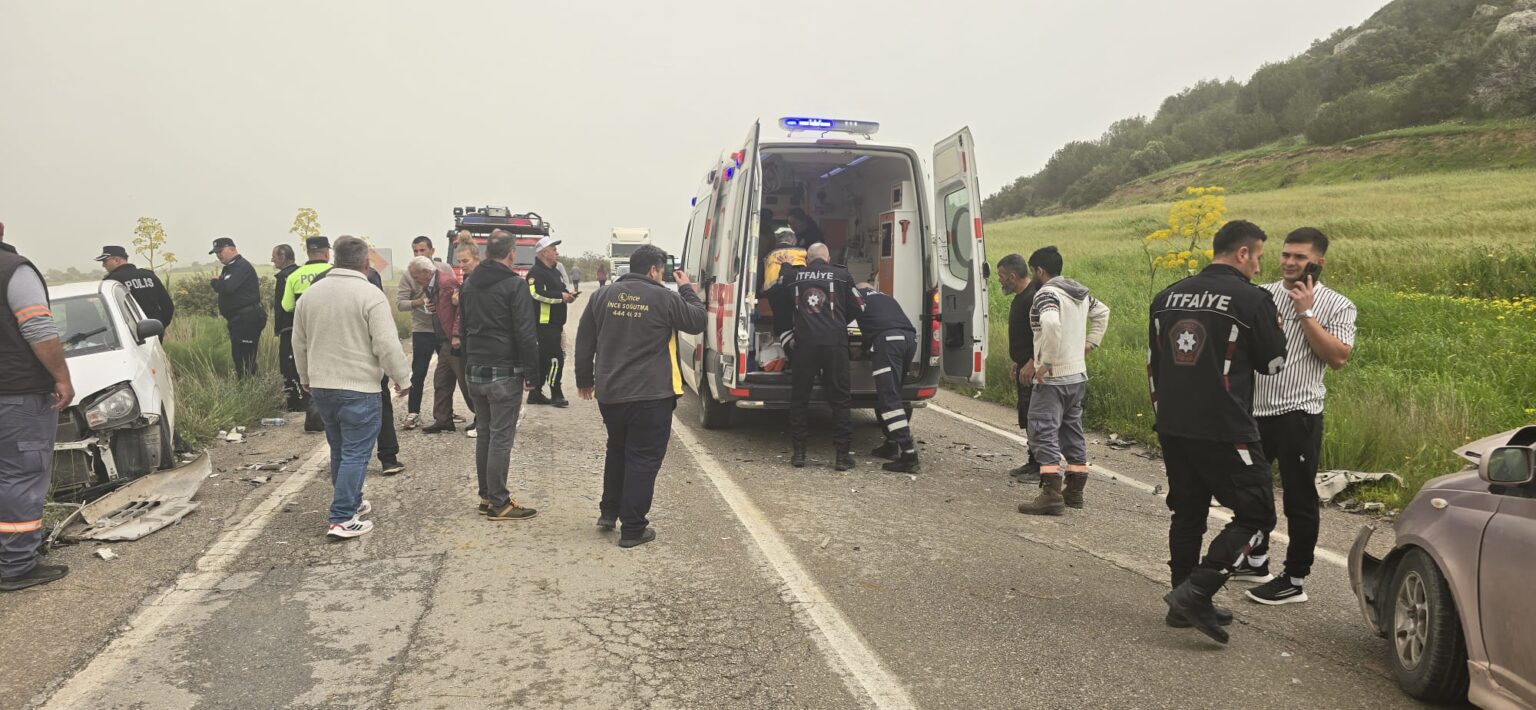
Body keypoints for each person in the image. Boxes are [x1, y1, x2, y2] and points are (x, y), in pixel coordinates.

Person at [1150, 220, 1288, 643]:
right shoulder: (1253, 299)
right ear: (1243, 253)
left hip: (1173, 423)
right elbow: (1273, 364)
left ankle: (1182, 600)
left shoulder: (1166, 296)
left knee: (1187, 511)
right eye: (1258, 257)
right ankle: (1196, 591)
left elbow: (1156, 359)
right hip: (1226, 426)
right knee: (1257, 513)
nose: (1259, 267)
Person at [1236, 228, 1356, 606]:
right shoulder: (1262, 295)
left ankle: (1294, 579)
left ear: (1318, 262)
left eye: (1300, 257)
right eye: (1286, 255)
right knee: (1248, 491)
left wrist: (1305, 312)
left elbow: (1337, 358)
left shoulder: (1338, 304)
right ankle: (1256, 560)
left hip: (1298, 414)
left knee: (1298, 499)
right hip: (1254, 412)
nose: (1289, 262)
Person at [575, 244, 705, 548]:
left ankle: (609, 512)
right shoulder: (664, 298)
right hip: (650, 395)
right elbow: (697, 320)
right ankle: (633, 528)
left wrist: (584, 380)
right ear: (654, 270)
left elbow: (585, 341)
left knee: (617, 449)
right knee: (643, 458)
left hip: (611, 394)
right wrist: (687, 289)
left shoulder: (602, 296)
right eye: (661, 271)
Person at [292, 236, 411, 540]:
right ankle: (343, 517)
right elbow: (386, 343)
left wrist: (304, 376)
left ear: (334, 259)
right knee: (356, 452)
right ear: (365, 263)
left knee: (340, 448)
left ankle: (353, 502)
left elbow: (299, 341)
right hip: (359, 387)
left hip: (322, 386)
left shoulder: (311, 295)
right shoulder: (370, 294)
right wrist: (402, 377)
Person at [0, 226, 75, 592]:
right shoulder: (13, 269)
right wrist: (61, 376)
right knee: (20, 476)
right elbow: (38, 328)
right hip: (16, 394)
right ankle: (16, 566)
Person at [1015, 247, 1110, 516]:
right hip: (1077, 375)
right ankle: (1075, 490)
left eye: (1033, 271)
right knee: (1071, 431)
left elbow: (1051, 324)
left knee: (1042, 432)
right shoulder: (1077, 293)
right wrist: (1091, 342)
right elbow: (1103, 312)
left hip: (1053, 379)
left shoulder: (1047, 294)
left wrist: (1046, 361)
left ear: (1040, 271)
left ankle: (1051, 495)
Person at [460, 231, 541, 522]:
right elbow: (525, 333)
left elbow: (464, 328)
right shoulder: (514, 285)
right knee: (501, 438)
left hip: (475, 370)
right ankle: (499, 502)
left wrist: (468, 363)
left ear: (485, 253)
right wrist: (532, 373)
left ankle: (486, 497)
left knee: (484, 433)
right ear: (511, 253)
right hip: (504, 372)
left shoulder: (469, 284)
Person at [781, 243, 862, 470]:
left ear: (807, 259)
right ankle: (842, 456)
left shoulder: (794, 276)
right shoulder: (842, 275)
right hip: (835, 343)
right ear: (827, 258)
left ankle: (799, 454)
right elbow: (859, 307)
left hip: (805, 344)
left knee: (800, 399)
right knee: (840, 399)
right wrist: (839, 321)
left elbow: (782, 297)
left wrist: (786, 265)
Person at [855, 283, 919, 473]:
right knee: (896, 394)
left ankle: (908, 454)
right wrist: (866, 349)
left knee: (889, 399)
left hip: (889, 342)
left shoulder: (857, 297)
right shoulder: (886, 298)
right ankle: (891, 444)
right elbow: (877, 323)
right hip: (910, 340)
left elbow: (842, 322)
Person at [406, 256, 473, 434]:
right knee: (441, 380)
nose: (415, 280)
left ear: (426, 272)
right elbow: (444, 307)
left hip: (453, 340)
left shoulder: (446, 283)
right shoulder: (432, 284)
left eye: (416, 276)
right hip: (444, 340)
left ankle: (482, 417)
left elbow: (459, 310)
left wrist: (456, 334)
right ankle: (443, 419)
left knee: (464, 382)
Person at [397, 236, 456, 429]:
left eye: (422, 250)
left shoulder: (444, 269)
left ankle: (446, 413)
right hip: (422, 329)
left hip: (443, 330)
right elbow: (400, 303)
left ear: (432, 251)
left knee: (449, 373)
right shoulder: (409, 274)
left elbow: (455, 293)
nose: (418, 254)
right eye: (415, 251)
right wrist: (420, 302)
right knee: (419, 372)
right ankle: (413, 412)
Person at [997, 254, 1044, 482]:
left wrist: (1032, 362)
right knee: (1027, 414)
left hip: (1033, 369)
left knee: (1036, 417)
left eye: (1001, 276)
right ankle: (1033, 460)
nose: (999, 280)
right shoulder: (1020, 298)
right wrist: (1018, 360)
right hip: (1024, 366)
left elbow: (1043, 335)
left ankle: (1042, 467)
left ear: (1013, 276)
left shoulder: (1033, 298)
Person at [527, 235, 575, 407]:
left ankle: (535, 392)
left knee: (543, 359)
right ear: (544, 253)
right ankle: (556, 392)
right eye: (553, 249)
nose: (557, 252)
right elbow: (535, 293)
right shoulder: (535, 273)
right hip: (543, 324)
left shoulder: (555, 271)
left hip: (556, 323)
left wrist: (568, 295)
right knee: (556, 359)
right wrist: (560, 297)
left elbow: (561, 290)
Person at [208, 237, 266, 378]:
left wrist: (215, 282)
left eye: (220, 251)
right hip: (239, 320)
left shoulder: (241, 266)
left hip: (247, 318)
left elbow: (227, 287)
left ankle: (251, 386)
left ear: (232, 249)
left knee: (246, 360)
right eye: (216, 253)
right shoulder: (230, 268)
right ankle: (246, 385)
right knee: (239, 358)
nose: (218, 255)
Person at [96, 245, 175, 329]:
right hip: (155, 329)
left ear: (116, 260)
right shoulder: (149, 275)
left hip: (129, 332)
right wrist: (160, 327)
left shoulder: (111, 281)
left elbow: (110, 313)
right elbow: (168, 306)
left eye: (105, 261)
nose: (103, 265)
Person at [271, 244, 303, 411]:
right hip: (300, 327)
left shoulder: (285, 276)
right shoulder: (300, 273)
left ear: (283, 257)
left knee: (288, 366)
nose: (272, 260)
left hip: (289, 327)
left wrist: (281, 326)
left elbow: (286, 306)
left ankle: (295, 403)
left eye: (274, 256)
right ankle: (301, 400)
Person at [761, 227, 807, 337]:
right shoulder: (801, 253)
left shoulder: (769, 255)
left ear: (778, 241)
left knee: (779, 319)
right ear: (793, 241)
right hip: (795, 291)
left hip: (773, 292)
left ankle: (780, 339)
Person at [280, 236, 333, 312]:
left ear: (308, 253)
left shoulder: (293, 276)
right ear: (326, 254)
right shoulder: (335, 271)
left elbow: (288, 307)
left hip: (305, 318)